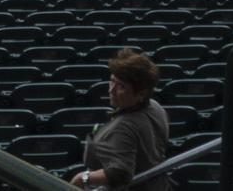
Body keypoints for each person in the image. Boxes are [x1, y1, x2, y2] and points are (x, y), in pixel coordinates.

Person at [71, 49, 171, 190]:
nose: (111, 90)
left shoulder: (122, 127)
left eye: (121, 86)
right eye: (112, 81)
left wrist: (84, 178)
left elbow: (120, 172)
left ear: (141, 93)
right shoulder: (155, 107)